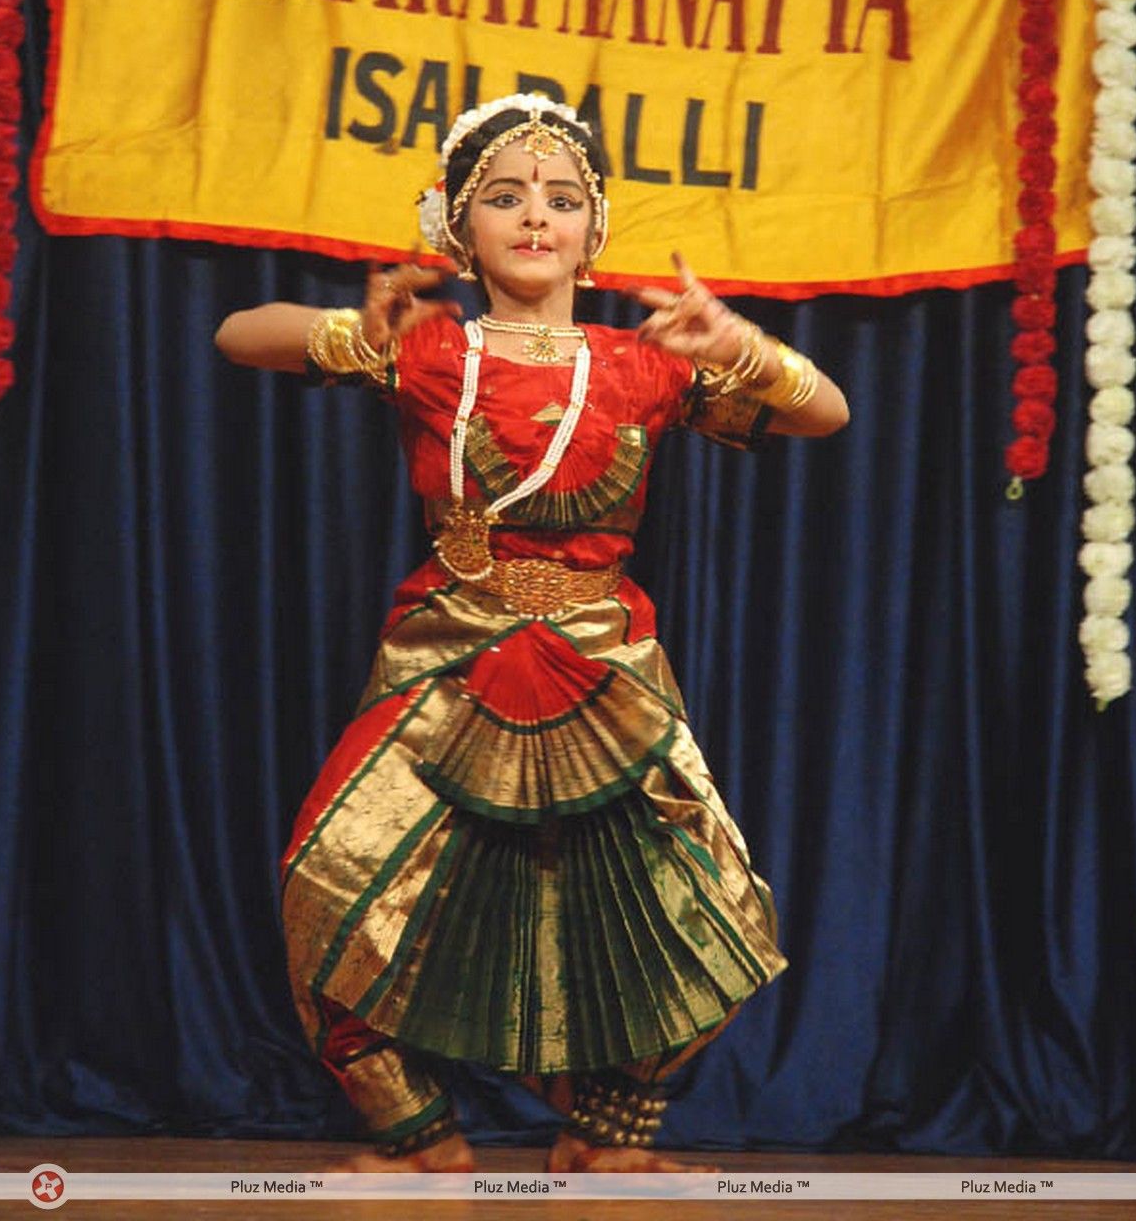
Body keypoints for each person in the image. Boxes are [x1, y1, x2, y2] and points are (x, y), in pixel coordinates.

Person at [215, 93, 848, 1172]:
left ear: (595, 234)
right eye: (503, 199)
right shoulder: (427, 352)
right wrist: (353, 333)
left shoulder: (647, 362)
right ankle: (421, 1140)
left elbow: (823, 412)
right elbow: (239, 337)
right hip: (447, 652)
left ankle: (607, 1132)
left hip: (605, 662)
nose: (535, 217)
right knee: (326, 882)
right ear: (457, 231)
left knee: (706, 905)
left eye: (562, 200)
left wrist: (737, 342)